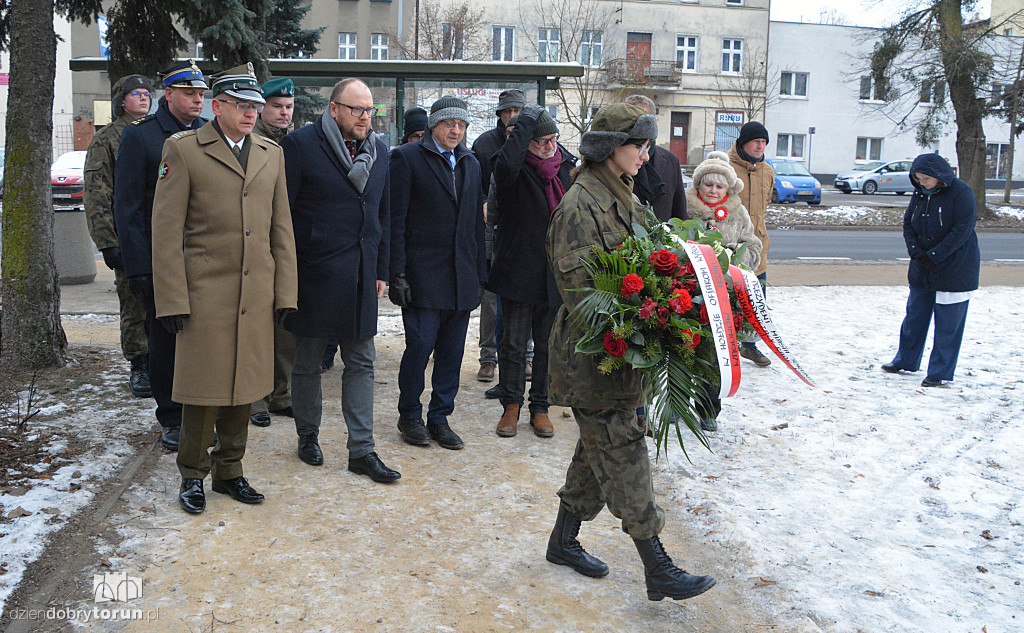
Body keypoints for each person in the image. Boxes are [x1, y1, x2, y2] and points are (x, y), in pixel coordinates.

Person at [544, 103, 715, 602]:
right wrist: (646, 323)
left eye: (645, 145)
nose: (646, 154)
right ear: (607, 148)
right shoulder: (580, 206)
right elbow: (582, 299)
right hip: (594, 356)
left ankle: (563, 541)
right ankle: (656, 564)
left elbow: (650, 264)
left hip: (620, 356)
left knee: (597, 453)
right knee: (623, 448)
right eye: (637, 145)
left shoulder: (625, 194)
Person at [151, 63, 298, 515]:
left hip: (255, 294)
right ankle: (192, 474)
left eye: (255, 105)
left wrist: (286, 293)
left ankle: (229, 471)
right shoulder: (185, 150)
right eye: (242, 105)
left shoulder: (271, 154)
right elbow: (166, 230)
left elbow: (281, 229)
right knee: (202, 390)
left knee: (246, 387)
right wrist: (172, 299)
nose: (252, 113)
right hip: (204, 294)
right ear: (219, 107)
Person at [279, 78, 400, 483]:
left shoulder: (379, 151)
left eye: (370, 111)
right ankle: (308, 435)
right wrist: (288, 272)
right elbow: (283, 216)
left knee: (362, 360)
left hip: (362, 274)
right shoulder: (299, 146)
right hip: (313, 273)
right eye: (358, 110)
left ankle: (361, 451)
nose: (366, 117)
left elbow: (382, 214)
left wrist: (382, 268)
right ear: (334, 109)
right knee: (308, 360)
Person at [114, 60, 208, 450]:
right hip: (160, 260)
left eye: (201, 94)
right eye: (189, 93)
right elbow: (129, 206)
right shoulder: (142, 137)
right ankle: (171, 416)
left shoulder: (208, 134)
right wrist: (139, 267)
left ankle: (202, 410)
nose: (197, 100)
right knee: (165, 341)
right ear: (167, 95)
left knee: (203, 338)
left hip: (204, 260)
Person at [389, 95, 486, 451]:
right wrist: (396, 272)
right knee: (419, 347)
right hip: (422, 276)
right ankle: (410, 415)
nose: (456, 130)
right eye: (450, 124)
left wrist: (480, 274)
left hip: (461, 276)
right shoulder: (406, 158)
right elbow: (394, 221)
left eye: (461, 125)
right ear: (434, 125)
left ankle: (440, 417)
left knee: (452, 353)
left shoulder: (470, 163)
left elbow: (477, 223)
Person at [490, 104, 574, 438]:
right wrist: (525, 120)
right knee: (512, 344)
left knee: (546, 345)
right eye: (540, 141)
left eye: (553, 139)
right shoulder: (513, 168)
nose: (548, 146)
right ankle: (511, 406)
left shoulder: (565, 169)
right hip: (517, 269)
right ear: (526, 142)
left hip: (554, 273)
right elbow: (506, 161)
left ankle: (540, 407)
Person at [84, 74, 154, 399]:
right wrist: (108, 243)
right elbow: (97, 196)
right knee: (133, 302)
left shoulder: (157, 133)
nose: (143, 98)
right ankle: (139, 363)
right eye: (136, 94)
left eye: (147, 93)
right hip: (127, 236)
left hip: (158, 233)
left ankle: (161, 360)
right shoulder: (107, 140)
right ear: (121, 101)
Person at [882, 153, 980, 388]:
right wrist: (915, 251)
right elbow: (908, 224)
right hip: (922, 266)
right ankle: (905, 360)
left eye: (926, 178)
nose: (921, 183)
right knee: (914, 317)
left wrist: (935, 255)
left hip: (954, 268)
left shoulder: (962, 193)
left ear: (939, 176)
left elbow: (962, 230)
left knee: (948, 324)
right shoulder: (919, 194)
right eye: (918, 178)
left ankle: (940, 372)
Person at [685, 150, 763, 431]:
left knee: (715, 354)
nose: (714, 190)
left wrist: (734, 262)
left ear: (728, 188)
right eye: (708, 184)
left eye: (720, 186)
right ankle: (677, 401)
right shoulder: (685, 208)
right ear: (698, 185)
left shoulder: (738, 212)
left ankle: (708, 410)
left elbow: (753, 245)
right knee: (683, 348)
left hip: (724, 297)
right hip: (688, 293)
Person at [249, 76, 298, 427]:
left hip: (287, 244)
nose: (284, 112)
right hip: (256, 246)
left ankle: (281, 393)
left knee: (285, 324)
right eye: (277, 106)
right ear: (262, 108)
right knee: (256, 328)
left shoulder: (294, 143)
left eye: (289, 107)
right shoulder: (251, 144)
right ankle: (254, 399)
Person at [472, 89, 525, 383]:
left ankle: (525, 357)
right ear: (500, 115)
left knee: (523, 299)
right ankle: (488, 357)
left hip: (522, 235)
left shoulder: (534, 142)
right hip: (491, 232)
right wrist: (483, 203)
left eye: (517, 110)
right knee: (491, 300)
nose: (512, 116)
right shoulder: (484, 145)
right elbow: (473, 184)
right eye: (507, 111)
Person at [728, 121, 775, 368]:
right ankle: (725, 347)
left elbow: (765, 204)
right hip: (731, 246)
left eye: (764, 142)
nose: (760, 146)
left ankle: (749, 346)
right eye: (756, 141)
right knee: (729, 300)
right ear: (743, 142)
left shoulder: (767, 170)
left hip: (758, 247)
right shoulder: (726, 166)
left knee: (757, 301)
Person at [624, 95, 688, 222]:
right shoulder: (616, 160)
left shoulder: (671, 161)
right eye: (632, 120)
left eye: (643, 118)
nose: (638, 126)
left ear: (654, 121)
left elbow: (679, 211)